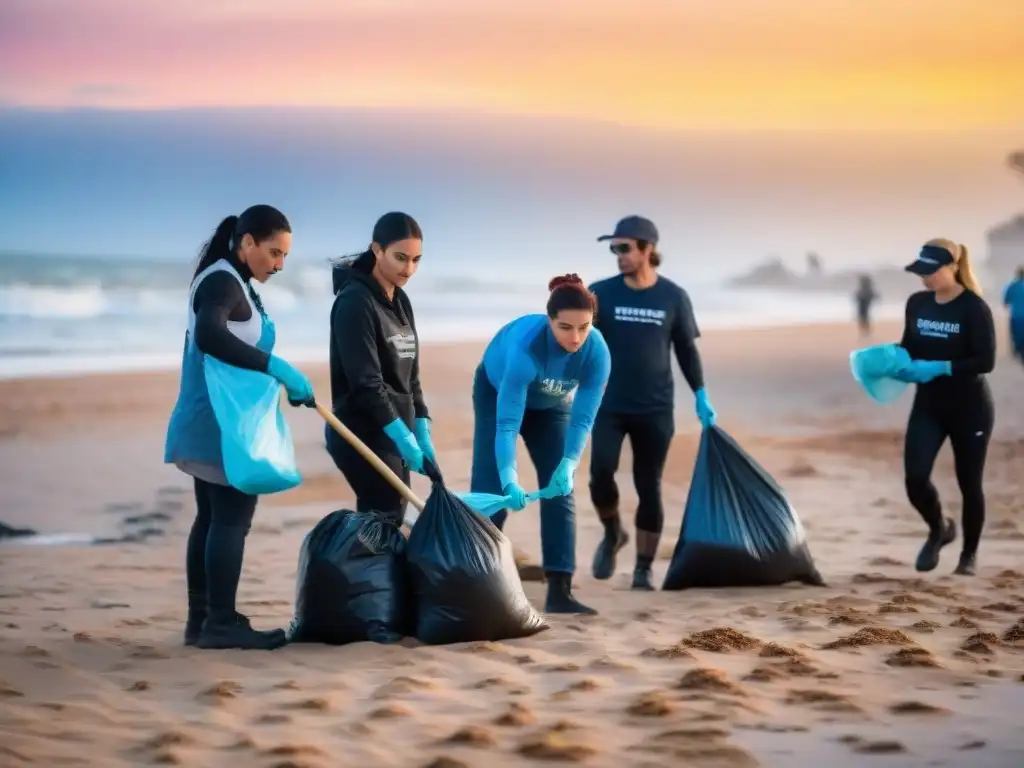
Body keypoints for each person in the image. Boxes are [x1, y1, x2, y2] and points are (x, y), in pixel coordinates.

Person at [164, 205, 315, 650]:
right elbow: (211, 335)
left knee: (211, 518)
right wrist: (276, 365)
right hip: (219, 422)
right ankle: (219, 623)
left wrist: (279, 379)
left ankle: (203, 621)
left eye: (284, 256)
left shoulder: (233, 279)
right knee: (230, 520)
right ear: (247, 241)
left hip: (213, 415)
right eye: (274, 252)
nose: (279, 264)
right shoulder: (222, 281)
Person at [585, 216, 716, 591]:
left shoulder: (673, 297)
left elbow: (687, 350)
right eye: (614, 249)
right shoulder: (601, 294)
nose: (618, 255)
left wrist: (701, 395)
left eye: (624, 248)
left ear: (648, 249)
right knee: (601, 474)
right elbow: (578, 341)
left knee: (649, 484)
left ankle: (643, 568)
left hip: (656, 408)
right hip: (609, 405)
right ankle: (613, 534)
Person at [470, 274, 611, 615]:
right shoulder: (526, 348)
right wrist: (509, 478)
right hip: (497, 394)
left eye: (584, 327)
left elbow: (583, 418)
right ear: (550, 321)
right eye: (564, 327)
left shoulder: (597, 353)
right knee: (492, 492)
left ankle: (560, 591)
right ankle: (479, 582)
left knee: (560, 489)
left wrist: (570, 463)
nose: (575, 338)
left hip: (550, 405)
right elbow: (507, 425)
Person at [893, 238, 996, 577]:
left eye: (931, 272)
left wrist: (942, 367)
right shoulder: (917, 303)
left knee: (970, 482)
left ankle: (969, 556)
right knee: (915, 477)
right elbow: (909, 346)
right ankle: (939, 527)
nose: (925, 279)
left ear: (952, 267)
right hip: (929, 405)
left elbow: (986, 360)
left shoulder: (973, 308)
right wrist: (887, 359)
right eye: (921, 273)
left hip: (970, 408)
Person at [327, 212, 434, 521]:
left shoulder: (400, 300)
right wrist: (402, 436)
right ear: (377, 250)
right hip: (363, 432)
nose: (409, 269)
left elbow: (411, 376)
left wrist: (422, 424)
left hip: (396, 433)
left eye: (416, 259)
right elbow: (366, 383)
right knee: (385, 518)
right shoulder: (355, 303)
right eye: (401, 258)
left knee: (388, 520)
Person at [1001, 266, 1024, 361]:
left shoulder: (1012, 286)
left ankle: (1018, 350)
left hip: (1015, 316)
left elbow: (1005, 301)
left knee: (1016, 335)